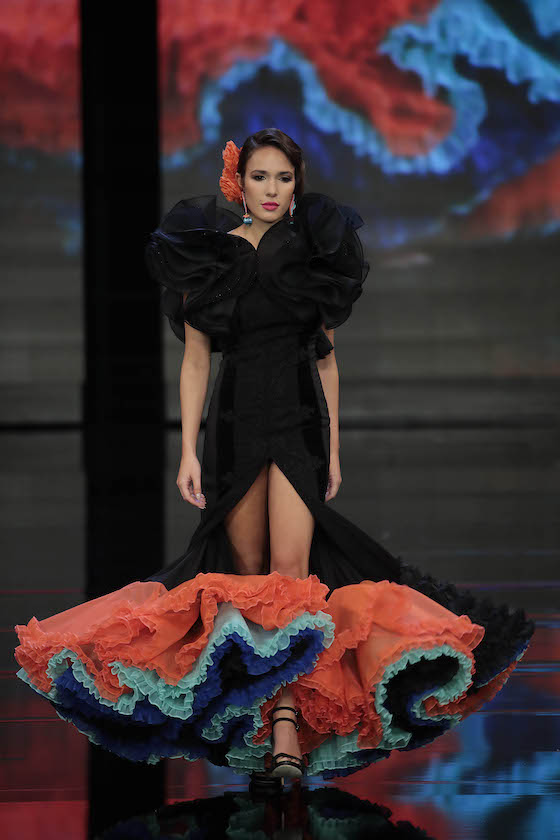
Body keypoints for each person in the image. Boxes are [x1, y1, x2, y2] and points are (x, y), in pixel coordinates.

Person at [14, 128, 534, 786]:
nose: (271, 189)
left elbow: (327, 358)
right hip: (233, 426)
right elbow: (196, 361)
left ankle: (285, 724)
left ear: (297, 185)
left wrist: (334, 449)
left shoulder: (316, 255)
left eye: (283, 178)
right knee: (247, 580)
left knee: (290, 577)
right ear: (239, 183)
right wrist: (187, 451)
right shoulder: (209, 256)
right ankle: (267, 720)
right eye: (260, 176)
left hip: (298, 423)